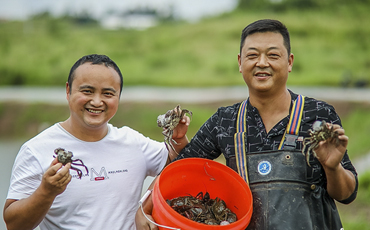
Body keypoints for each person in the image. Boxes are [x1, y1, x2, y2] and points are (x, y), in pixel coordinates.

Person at [136, 19, 358, 229]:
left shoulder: (319, 115)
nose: (262, 63)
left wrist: (332, 167)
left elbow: (347, 194)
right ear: (240, 63)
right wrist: (144, 208)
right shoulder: (225, 121)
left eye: (273, 55)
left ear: (289, 62)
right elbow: (180, 169)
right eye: (252, 55)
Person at [3, 54, 190, 230]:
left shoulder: (133, 142)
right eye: (87, 91)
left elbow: (182, 165)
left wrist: (179, 139)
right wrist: (46, 191)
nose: (97, 101)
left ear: (118, 97)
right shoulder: (36, 149)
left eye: (108, 94)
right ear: (68, 90)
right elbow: (13, 224)